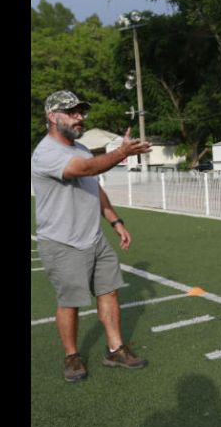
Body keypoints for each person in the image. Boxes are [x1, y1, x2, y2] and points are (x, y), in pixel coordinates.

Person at [31, 90, 152, 382]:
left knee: (109, 291)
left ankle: (115, 349)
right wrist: (121, 152)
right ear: (52, 116)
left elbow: (93, 186)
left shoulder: (82, 148)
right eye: (72, 112)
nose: (80, 118)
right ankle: (72, 356)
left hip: (94, 237)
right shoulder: (46, 153)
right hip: (63, 241)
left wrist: (115, 221)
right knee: (70, 300)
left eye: (81, 112)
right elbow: (82, 170)